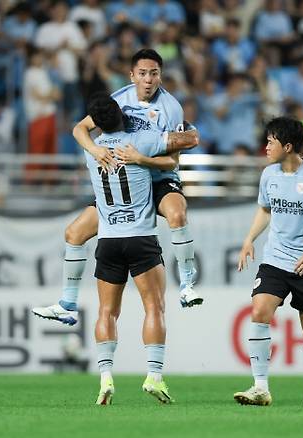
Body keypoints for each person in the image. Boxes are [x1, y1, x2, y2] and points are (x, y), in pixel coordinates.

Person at [33, 49, 202, 326]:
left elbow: (173, 159)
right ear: (132, 75)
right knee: (74, 233)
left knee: (177, 214)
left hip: (157, 177)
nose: (148, 80)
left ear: (161, 76)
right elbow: (80, 129)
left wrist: (142, 159)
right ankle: (67, 304)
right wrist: (96, 151)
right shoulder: (118, 99)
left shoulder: (171, 108)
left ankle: (187, 285)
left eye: (154, 73)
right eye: (143, 73)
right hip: (123, 183)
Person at [83, 93, 199, 405]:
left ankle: (106, 378)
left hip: (107, 240)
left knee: (107, 311)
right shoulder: (142, 141)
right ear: (121, 114)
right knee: (154, 307)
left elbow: (82, 132)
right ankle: (154, 377)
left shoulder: (90, 152)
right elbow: (174, 156)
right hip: (141, 237)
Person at [235, 117, 303, 407]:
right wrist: (249, 239)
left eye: (271, 141)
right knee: (259, 311)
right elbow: (264, 209)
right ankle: (260, 387)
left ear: (288, 146)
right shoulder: (269, 174)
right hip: (275, 259)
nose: (266, 146)